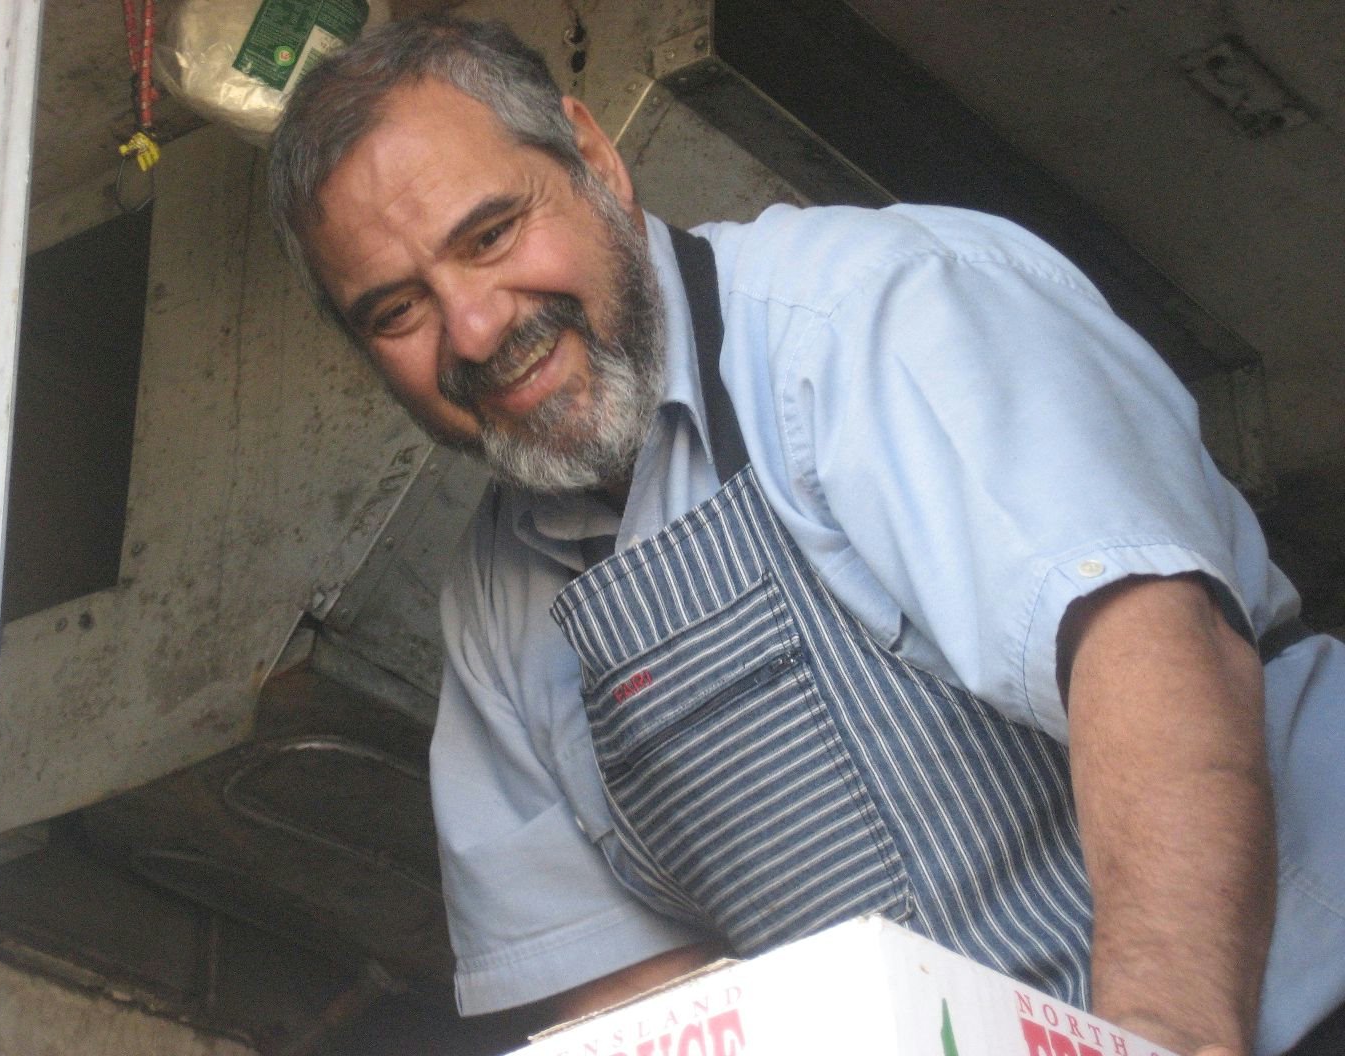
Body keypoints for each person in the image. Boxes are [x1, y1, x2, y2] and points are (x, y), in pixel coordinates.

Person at [267, 15, 1345, 1056]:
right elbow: (637, 997)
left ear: (594, 156)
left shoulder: (870, 309)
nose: (476, 326)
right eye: (397, 311)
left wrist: (1157, 1039)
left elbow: (1152, 650)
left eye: (492, 233)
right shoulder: (497, 606)